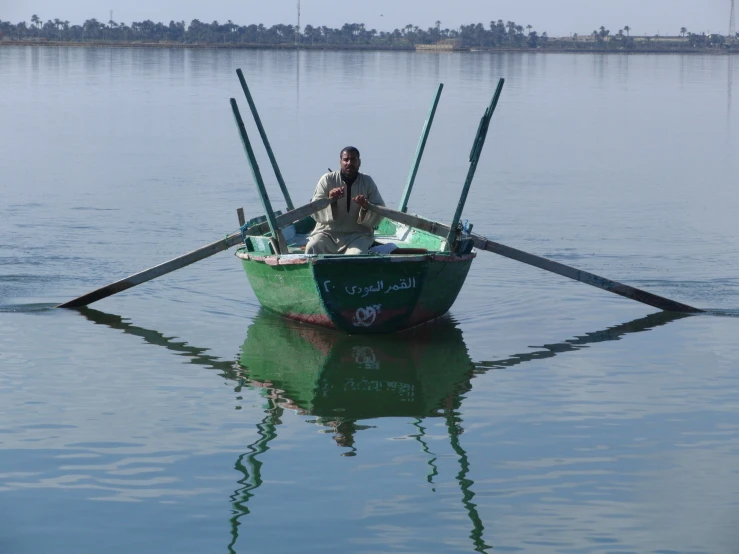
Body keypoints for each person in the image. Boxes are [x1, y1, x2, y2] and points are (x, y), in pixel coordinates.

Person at [305, 146, 386, 255]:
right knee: (312, 247)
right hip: (327, 234)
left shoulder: (367, 181)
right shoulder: (327, 179)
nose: (349, 163)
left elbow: (380, 211)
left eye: (353, 159)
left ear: (359, 162)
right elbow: (314, 209)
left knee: (356, 255)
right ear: (340, 162)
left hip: (358, 235)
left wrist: (366, 207)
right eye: (346, 160)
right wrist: (330, 200)